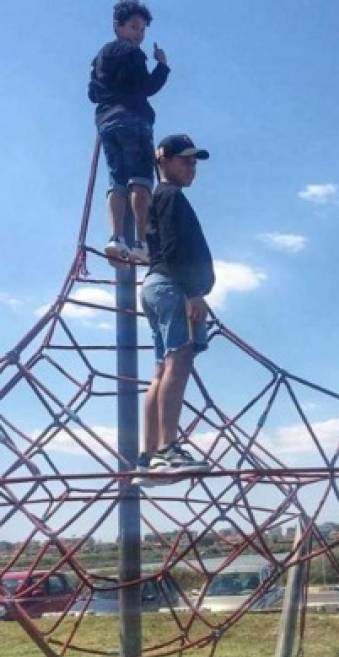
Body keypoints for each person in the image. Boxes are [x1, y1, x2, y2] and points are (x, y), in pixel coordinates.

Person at [136, 134, 215, 480]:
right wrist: (194, 292)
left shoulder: (162, 197)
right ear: (163, 161)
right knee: (178, 360)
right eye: (185, 160)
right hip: (172, 286)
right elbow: (173, 246)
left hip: (157, 285)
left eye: (194, 162)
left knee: (161, 370)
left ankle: (148, 455)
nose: (191, 167)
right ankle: (168, 449)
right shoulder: (169, 195)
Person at [88, 1, 170, 264]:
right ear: (118, 26)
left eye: (142, 30)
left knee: (117, 181)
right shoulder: (132, 53)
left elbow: (92, 93)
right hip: (133, 120)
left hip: (107, 122)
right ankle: (141, 243)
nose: (139, 35)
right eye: (134, 27)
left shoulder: (101, 55)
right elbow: (146, 87)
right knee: (140, 180)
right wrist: (162, 66)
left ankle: (115, 237)